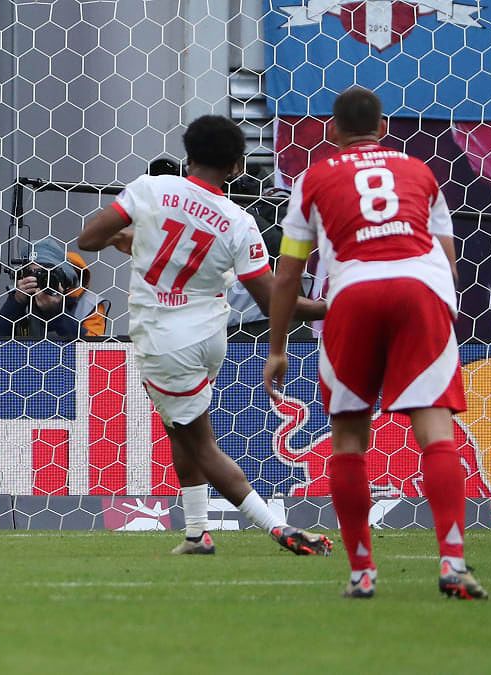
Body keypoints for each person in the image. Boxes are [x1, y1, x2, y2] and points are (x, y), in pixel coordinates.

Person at [263, 87, 487, 599]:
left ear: (333, 132)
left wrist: (277, 348)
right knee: (436, 432)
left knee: (348, 440)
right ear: (383, 127)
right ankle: (453, 564)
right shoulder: (421, 172)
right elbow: (448, 258)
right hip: (420, 290)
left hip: (354, 295)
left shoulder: (313, 179)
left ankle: (362, 571)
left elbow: (289, 272)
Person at [78, 115, 332, 557]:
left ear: (188, 155)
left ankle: (281, 530)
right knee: (178, 427)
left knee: (201, 442)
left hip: (164, 339)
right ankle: (197, 533)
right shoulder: (239, 220)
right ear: (236, 167)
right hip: (211, 336)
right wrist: (333, 306)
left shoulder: (151, 189)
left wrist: (135, 236)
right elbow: (274, 297)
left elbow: (89, 238)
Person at [0, 238, 109, 339]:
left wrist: (57, 312)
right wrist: (16, 302)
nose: (41, 280)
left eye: (46, 274)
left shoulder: (89, 304)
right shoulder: (20, 296)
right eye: (32, 273)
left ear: (63, 275)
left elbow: (92, 351)